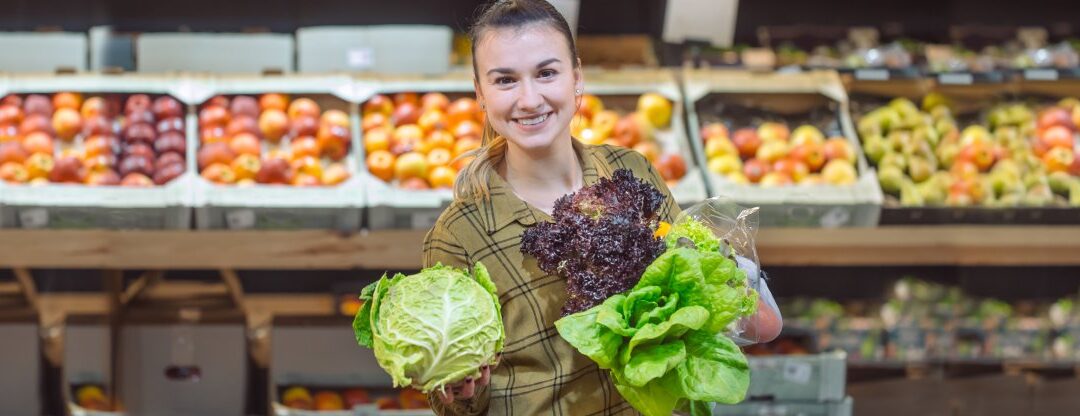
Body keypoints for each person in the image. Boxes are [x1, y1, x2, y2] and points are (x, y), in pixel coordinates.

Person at [421, 1, 782, 414]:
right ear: (480, 93)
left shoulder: (631, 170)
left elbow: (703, 307)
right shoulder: (460, 234)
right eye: (505, 80)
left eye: (546, 73)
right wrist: (460, 388)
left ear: (576, 77)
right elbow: (452, 403)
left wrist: (727, 275)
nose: (529, 98)